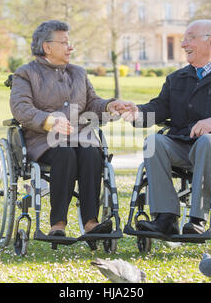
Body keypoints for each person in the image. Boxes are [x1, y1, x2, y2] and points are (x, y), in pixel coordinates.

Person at [119, 19, 211, 235]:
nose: (183, 44)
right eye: (184, 39)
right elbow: (160, 107)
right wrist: (138, 113)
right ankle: (166, 218)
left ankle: (198, 219)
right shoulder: (177, 78)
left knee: (208, 140)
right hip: (183, 143)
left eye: (190, 38)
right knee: (155, 142)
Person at [10, 20, 129, 237]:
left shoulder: (79, 74)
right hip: (44, 141)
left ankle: (91, 223)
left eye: (69, 42)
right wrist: (48, 121)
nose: (70, 47)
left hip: (80, 137)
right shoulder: (26, 74)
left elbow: (92, 104)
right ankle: (58, 224)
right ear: (47, 47)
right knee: (64, 154)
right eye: (64, 43)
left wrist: (110, 106)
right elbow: (21, 108)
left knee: (92, 153)